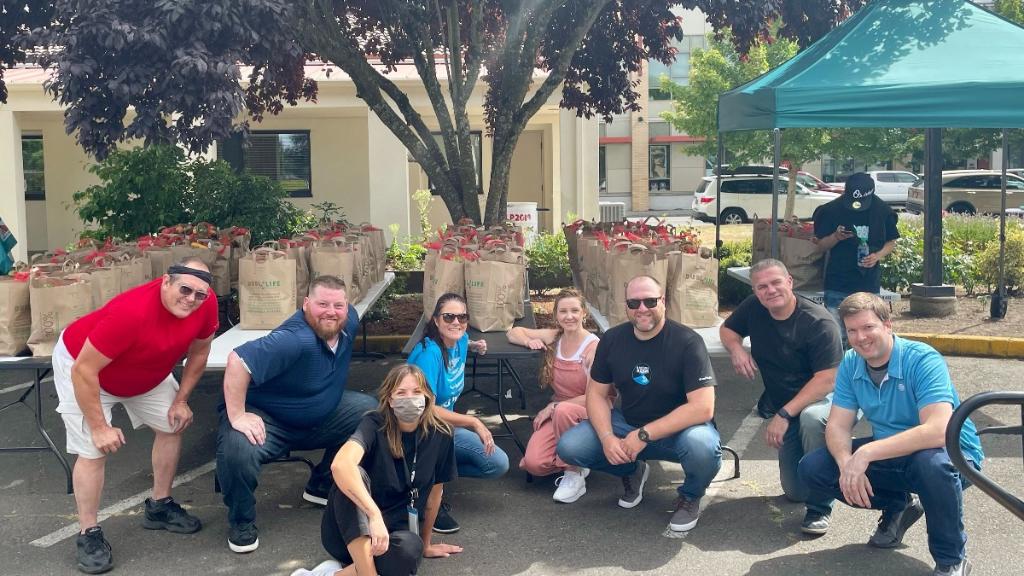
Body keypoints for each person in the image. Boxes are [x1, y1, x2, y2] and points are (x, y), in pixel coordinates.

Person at [798, 292, 984, 576]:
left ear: (888, 324)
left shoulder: (922, 359)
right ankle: (900, 505)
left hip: (954, 455)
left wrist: (866, 453)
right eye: (852, 330)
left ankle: (952, 559)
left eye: (868, 327)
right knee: (814, 468)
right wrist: (846, 462)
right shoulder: (851, 362)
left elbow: (938, 431)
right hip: (895, 452)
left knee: (932, 465)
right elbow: (838, 425)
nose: (861, 337)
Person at [53, 257, 218, 574]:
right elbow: (84, 370)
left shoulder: (204, 304)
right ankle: (88, 533)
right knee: (93, 449)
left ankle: (159, 506)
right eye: (185, 289)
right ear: (166, 281)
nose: (192, 299)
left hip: (145, 371)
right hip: (85, 370)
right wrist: (100, 427)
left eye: (200, 294)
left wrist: (181, 400)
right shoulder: (132, 311)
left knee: (173, 424)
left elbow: (200, 353)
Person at [217, 275, 378, 553]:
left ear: (347, 307)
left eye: (338, 305)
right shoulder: (294, 339)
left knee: (371, 412)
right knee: (237, 450)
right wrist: (237, 415)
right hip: (270, 421)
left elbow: (341, 312)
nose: (331, 311)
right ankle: (241, 521)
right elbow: (237, 361)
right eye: (322, 304)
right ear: (305, 304)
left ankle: (321, 484)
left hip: (321, 415)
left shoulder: (348, 321)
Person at [556, 275, 722, 533]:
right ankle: (632, 468)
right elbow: (596, 394)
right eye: (634, 303)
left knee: (702, 447)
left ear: (663, 302)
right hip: (627, 424)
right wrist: (608, 437)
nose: (642, 309)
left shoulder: (687, 342)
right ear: (626, 306)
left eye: (649, 301)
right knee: (570, 446)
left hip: (680, 432)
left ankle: (690, 497)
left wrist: (645, 435)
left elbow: (702, 407)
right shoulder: (612, 340)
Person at [290, 364, 461, 576]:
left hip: (392, 535)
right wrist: (374, 515)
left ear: (427, 397)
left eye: (417, 392)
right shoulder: (374, 423)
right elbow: (340, 465)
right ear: (390, 400)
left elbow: (435, 496)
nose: (410, 398)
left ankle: (332, 574)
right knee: (353, 476)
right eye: (401, 392)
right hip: (350, 531)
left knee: (410, 550)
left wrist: (426, 545)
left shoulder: (441, 434)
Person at [720, 259, 843, 535]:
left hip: (825, 400)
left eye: (776, 282)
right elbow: (728, 329)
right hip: (787, 405)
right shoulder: (754, 307)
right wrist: (736, 349)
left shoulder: (818, 322)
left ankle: (820, 508)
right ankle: (828, 469)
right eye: (761, 286)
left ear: (790, 281)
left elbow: (827, 379)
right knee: (795, 491)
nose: (770, 290)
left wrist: (784, 415)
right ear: (754, 290)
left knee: (812, 420)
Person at [407, 292, 508, 534]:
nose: (456, 322)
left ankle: (427, 477)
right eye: (449, 316)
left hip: (444, 428)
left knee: (496, 464)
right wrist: (473, 422)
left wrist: (474, 345)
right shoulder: (428, 354)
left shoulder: (460, 341)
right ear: (435, 320)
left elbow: (463, 340)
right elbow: (423, 408)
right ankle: (424, 494)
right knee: (448, 451)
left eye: (462, 317)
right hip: (419, 430)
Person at [507, 288, 601, 503]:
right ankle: (581, 457)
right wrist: (528, 341)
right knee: (534, 464)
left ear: (584, 313)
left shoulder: (593, 348)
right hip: (561, 410)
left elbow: (594, 396)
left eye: (575, 310)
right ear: (556, 315)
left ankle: (574, 473)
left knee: (563, 410)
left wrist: (552, 407)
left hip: (588, 409)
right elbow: (513, 332)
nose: (569, 316)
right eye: (563, 311)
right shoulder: (555, 337)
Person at [813, 171, 899, 330]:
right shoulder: (832, 210)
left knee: (868, 332)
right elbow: (820, 246)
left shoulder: (882, 211)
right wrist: (835, 237)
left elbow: (891, 242)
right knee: (837, 335)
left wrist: (877, 256)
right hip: (838, 281)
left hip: (868, 284)